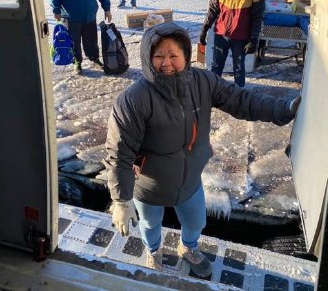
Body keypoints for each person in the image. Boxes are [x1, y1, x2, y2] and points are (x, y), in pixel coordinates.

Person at [105, 22, 300, 277]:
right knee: (151, 225)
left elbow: (242, 100)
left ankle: (189, 248)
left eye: (174, 55)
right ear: (147, 58)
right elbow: (119, 153)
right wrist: (120, 199)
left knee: (197, 222)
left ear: (186, 55)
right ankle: (153, 252)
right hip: (150, 187)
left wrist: (283, 109)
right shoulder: (133, 100)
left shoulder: (203, 83)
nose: (167, 63)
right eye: (159, 56)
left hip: (190, 182)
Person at [199, 0, 265, 87]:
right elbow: (213, 10)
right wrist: (204, 28)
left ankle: (239, 95)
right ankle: (213, 92)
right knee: (216, 67)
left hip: (241, 37)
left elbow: (257, 17)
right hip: (221, 34)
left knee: (239, 69)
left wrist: (253, 39)